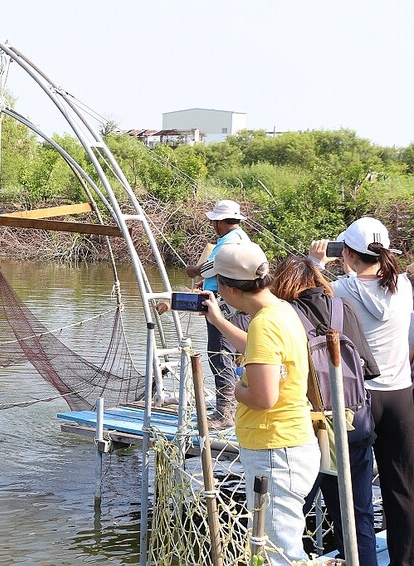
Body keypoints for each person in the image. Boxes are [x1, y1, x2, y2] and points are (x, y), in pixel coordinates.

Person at [202, 242, 320, 566]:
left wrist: (238, 387)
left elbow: (263, 398)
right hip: (287, 446)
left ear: (227, 287)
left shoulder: (264, 324)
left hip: (275, 452)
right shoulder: (279, 310)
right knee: (277, 546)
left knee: (280, 554)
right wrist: (218, 321)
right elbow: (260, 350)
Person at [311, 216, 414, 566]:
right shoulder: (403, 286)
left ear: (348, 254)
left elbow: (300, 299)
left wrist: (315, 264)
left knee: (353, 495)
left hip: (357, 400)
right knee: (402, 490)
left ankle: (362, 561)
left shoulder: (340, 290)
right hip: (401, 396)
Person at [270, 256, 380, 566]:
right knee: (358, 519)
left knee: (287, 519)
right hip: (352, 424)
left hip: (305, 430)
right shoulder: (342, 308)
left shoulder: (283, 316)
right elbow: (369, 370)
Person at [156, 199, 252, 429]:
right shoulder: (243, 239)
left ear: (219, 222)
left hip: (226, 308)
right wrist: (204, 281)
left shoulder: (229, 242)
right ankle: (232, 406)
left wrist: (194, 270)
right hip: (236, 304)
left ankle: (224, 414)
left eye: (213, 222)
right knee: (231, 355)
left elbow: (213, 267)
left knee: (220, 356)